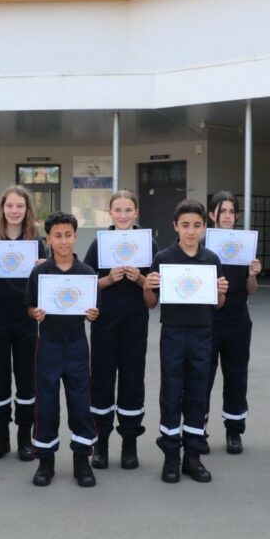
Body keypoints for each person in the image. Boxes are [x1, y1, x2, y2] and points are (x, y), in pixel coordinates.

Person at [144, 199, 228, 483]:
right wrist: (147, 286)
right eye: (185, 225)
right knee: (171, 392)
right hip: (173, 333)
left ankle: (193, 456)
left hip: (202, 333)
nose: (191, 231)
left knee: (197, 393)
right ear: (175, 226)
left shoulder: (212, 260)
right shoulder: (163, 258)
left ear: (204, 226)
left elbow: (218, 305)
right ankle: (170, 456)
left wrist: (221, 291)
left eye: (196, 225)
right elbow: (151, 303)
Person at [83, 190, 157, 470]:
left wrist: (140, 279)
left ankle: (130, 444)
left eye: (129, 210)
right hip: (104, 322)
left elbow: (155, 292)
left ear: (136, 212)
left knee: (132, 380)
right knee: (101, 380)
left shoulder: (148, 243)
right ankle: (101, 444)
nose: (123, 215)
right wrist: (108, 279)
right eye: (118, 210)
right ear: (110, 213)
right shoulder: (99, 244)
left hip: (135, 323)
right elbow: (85, 285)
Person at [25, 211, 100, 488]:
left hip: (78, 344)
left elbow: (95, 310)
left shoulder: (87, 273)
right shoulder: (40, 272)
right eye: (58, 236)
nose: (64, 241)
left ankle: (82, 461)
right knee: (46, 404)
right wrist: (36, 314)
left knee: (80, 404)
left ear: (76, 237)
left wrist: (93, 315)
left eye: (69, 235)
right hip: (48, 344)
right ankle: (46, 461)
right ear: (49, 239)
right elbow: (30, 306)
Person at [0, 186, 47, 462]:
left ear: (27, 210)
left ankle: (24, 438)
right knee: (0, 377)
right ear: (2, 209)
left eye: (20, 206)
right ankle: (1, 436)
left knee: (27, 378)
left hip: (27, 318)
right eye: (10, 206)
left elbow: (45, 286)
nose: (14, 211)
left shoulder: (37, 244)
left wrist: (45, 267)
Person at [206, 191, 262, 455]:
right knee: (202, 376)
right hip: (208, 318)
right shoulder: (203, 244)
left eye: (231, 212)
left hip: (238, 317)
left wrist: (252, 274)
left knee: (236, 376)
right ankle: (198, 427)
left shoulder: (244, 243)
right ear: (211, 215)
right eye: (222, 211)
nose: (227, 216)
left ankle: (234, 429)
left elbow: (251, 290)